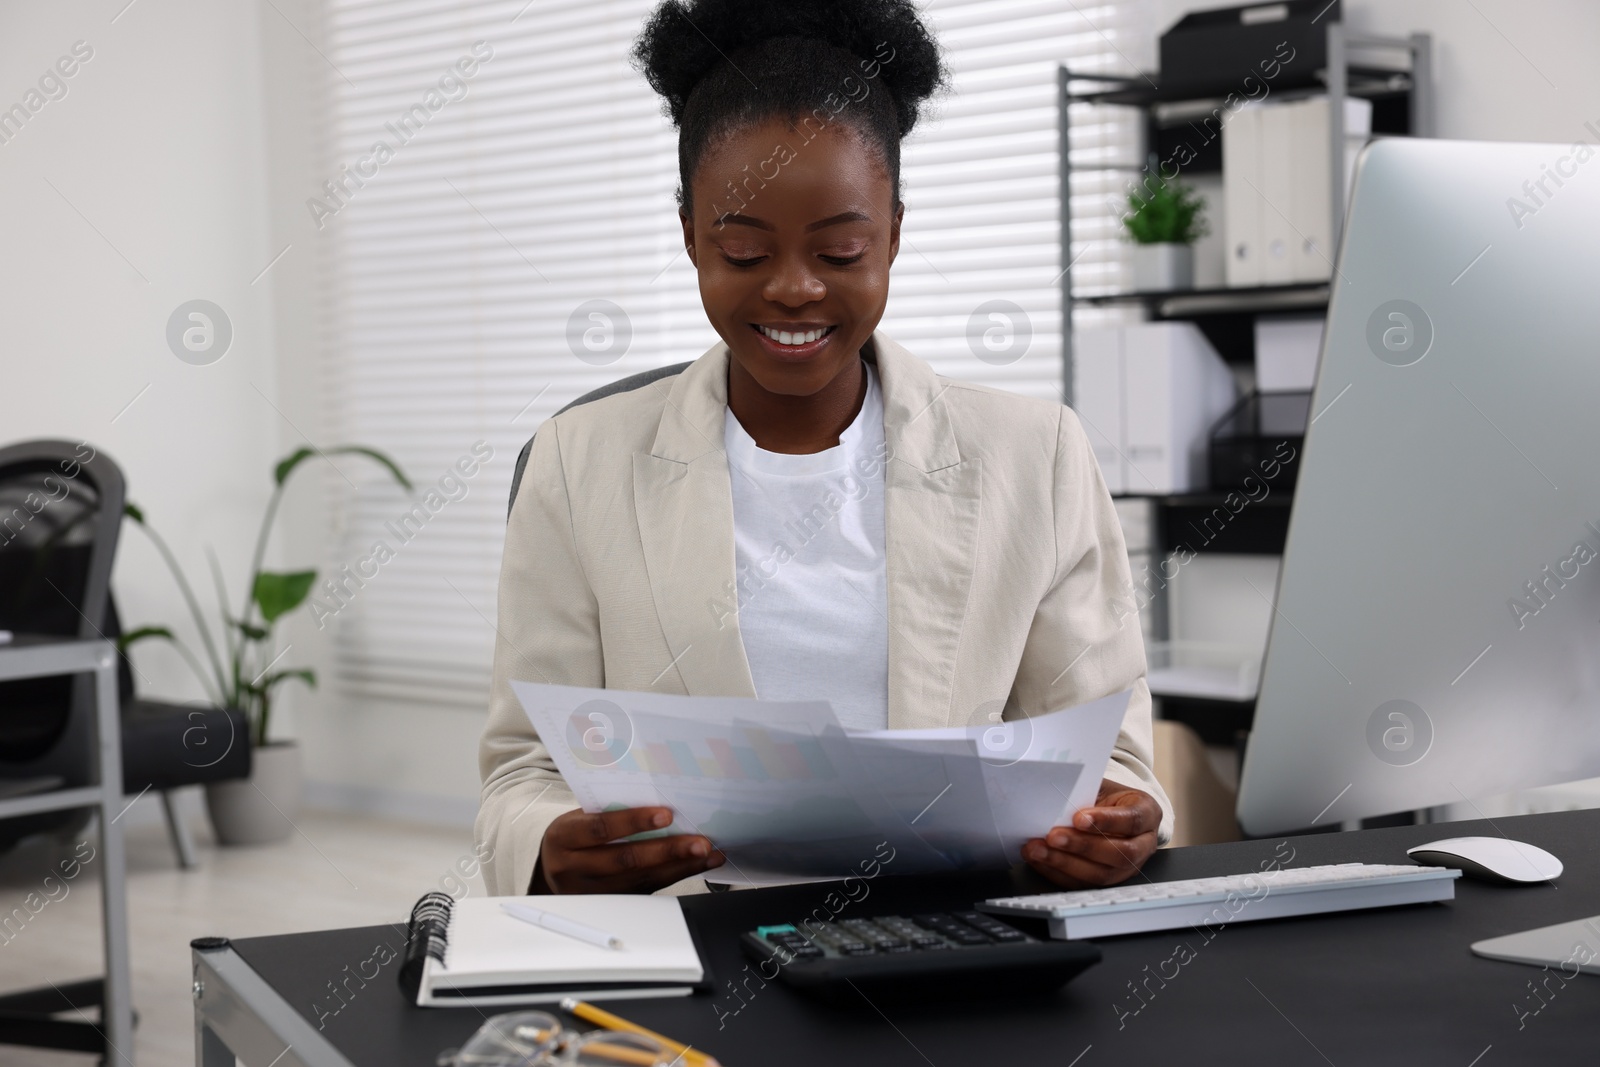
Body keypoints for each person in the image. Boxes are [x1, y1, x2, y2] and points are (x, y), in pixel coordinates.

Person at [475, 0, 1173, 898]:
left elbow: (1111, 753)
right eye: (743, 250)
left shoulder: (1034, 455)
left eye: (841, 251)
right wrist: (548, 844)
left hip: (954, 939)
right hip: (692, 948)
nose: (795, 288)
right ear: (690, 234)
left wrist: (1118, 822)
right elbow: (521, 773)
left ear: (893, 233)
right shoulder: (580, 463)